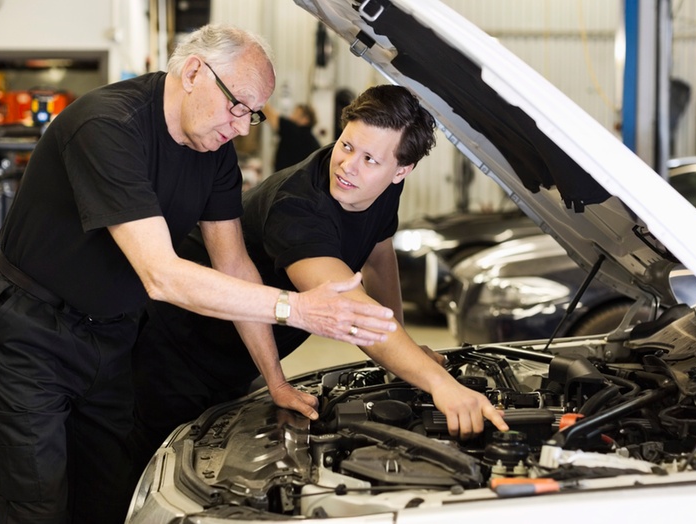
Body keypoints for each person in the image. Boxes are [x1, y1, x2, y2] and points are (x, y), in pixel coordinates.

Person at [0, 24, 397, 524]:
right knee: (35, 498)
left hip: (114, 334)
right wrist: (295, 308)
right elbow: (162, 275)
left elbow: (233, 261)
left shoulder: (214, 154)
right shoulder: (108, 126)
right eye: (239, 105)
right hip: (34, 332)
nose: (243, 127)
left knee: (108, 492)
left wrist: (274, 378)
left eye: (252, 113)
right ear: (194, 72)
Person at [128, 84, 510, 480]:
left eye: (369, 159)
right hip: (175, 348)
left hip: (241, 354)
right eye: (346, 146)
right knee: (157, 474)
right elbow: (354, 314)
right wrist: (441, 384)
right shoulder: (298, 207)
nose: (348, 167)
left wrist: (405, 349)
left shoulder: (378, 188)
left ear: (401, 171)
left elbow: (379, 257)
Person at [262, 101, 321, 171]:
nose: (291, 117)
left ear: (306, 119)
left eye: (296, 114)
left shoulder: (295, 131)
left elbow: (269, 114)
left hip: (285, 179)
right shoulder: (313, 142)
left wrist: (259, 95)